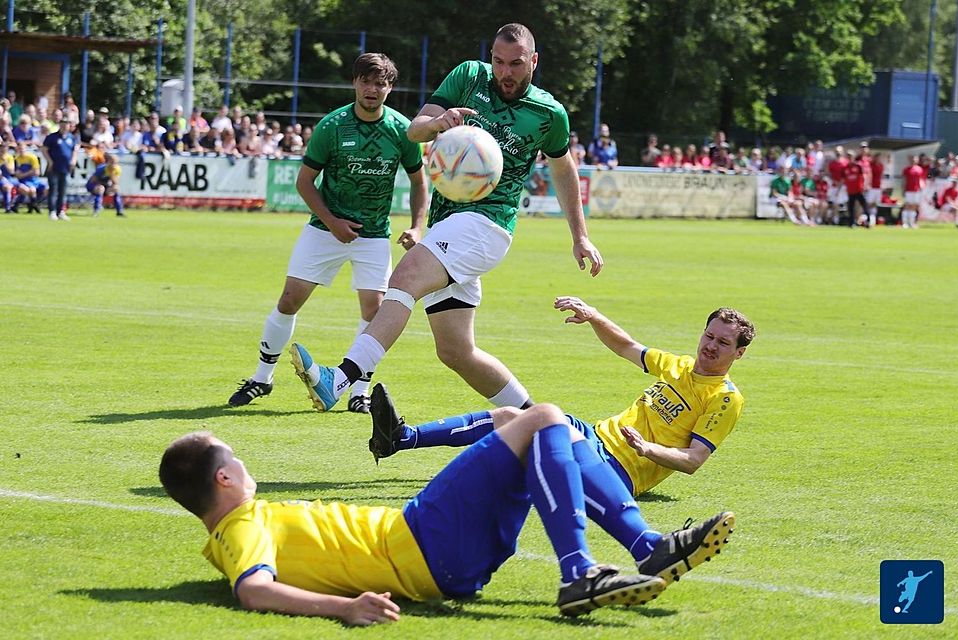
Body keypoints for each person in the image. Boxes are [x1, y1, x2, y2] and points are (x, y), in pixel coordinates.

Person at [159, 411, 736, 621]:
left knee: (521, 418)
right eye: (234, 458)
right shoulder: (240, 527)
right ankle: (581, 571)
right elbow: (254, 591)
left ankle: (647, 548)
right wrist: (346, 608)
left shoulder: (241, 524)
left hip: (442, 553)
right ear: (223, 480)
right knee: (543, 418)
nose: (243, 462)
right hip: (423, 541)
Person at [293, 23, 603, 413]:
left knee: (405, 278)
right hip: (448, 223)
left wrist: (580, 236)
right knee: (456, 350)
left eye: (516, 64)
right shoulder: (469, 76)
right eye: (498, 62)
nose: (505, 72)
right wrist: (440, 123)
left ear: (534, 61)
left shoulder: (549, 113)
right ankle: (536, 420)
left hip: (488, 223)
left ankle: (338, 379)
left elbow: (563, 169)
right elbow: (415, 131)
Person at [369, 299, 754, 502]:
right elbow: (627, 346)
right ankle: (401, 438)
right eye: (709, 336)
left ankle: (438, 481)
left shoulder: (725, 399)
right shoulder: (679, 365)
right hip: (594, 437)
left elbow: (693, 460)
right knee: (513, 417)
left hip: (619, 470)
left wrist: (646, 448)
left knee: (528, 451)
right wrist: (594, 316)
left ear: (738, 353)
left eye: (723, 343)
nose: (711, 346)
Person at [228, 53, 429, 412]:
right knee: (289, 300)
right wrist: (333, 221)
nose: (372, 89)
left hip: (373, 235)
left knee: (375, 310)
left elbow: (419, 182)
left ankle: (358, 391)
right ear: (354, 83)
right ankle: (262, 378)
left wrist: (416, 225)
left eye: (380, 83)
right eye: (366, 81)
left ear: (390, 88)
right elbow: (305, 182)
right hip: (324, 229)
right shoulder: (332, 126)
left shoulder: (403, 130)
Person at [41, 116, 78, 221]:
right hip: (54, 167)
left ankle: (60, 211)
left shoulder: (71, 138)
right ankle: (52, 211)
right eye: (63, 124)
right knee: (53, 189)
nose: (64, 126)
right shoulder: (52, 137)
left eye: (66, 124)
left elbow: (74, 150)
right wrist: (50, 161)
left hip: (65, 168)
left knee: (63, 191)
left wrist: (73, 161)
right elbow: (44, 149)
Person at [85, 153, 125, 217]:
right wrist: (104, 183)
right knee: (101, 188)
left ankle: (119, 211)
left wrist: (112, 175)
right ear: (108, 162)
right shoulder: (101, 168)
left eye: (115, 163)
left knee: (116, 188)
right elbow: (93, 180)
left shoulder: (117, 169)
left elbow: (116, 182)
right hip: (93, 186)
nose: (113, 165)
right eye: (112, 162)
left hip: (105, 186)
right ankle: (96, 210)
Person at [13, 140, 46, 213]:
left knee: (47, 189)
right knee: (32, 190)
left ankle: (34, 204)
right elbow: (18, 175)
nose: (21, 150)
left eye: (22, 148)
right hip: (24, 181)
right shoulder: (17, 159)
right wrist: (30, 172)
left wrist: (24, 174)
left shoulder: (32, 157)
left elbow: (37, 172)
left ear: (25, 148)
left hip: (34, 179)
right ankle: (34, 206)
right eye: (19, 148)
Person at [901, 155, 925, 229]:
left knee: (914, 207)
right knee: (907, 206)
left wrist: (922, 187)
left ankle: (911, 222)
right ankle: (905, 223)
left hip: (916, 190)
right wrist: (903, 189)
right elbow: (904, 180)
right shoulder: (906, 169)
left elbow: (920, 180)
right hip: (908, 190)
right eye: (913, 159)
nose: (914, 161)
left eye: (915, 159)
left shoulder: (920, 169)